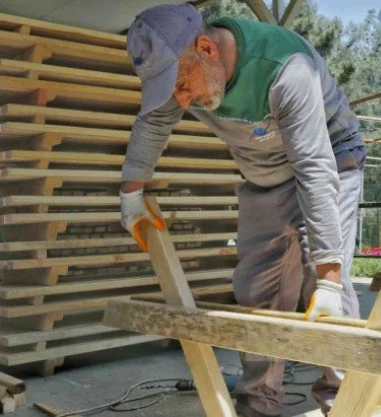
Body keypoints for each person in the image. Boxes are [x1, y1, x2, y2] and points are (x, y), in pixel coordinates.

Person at [118, 4, 365, 416]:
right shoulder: (186, 69)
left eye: (183, 85)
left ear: (206, 48)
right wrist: (131, 196)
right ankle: (258, 402)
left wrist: (329, 280)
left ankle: (346, 402)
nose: (181, 100)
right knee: (258, 286)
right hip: (265, 173)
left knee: (321, 283)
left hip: (330, 158)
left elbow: (314, 169)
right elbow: (153, 123)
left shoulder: (287, 68)